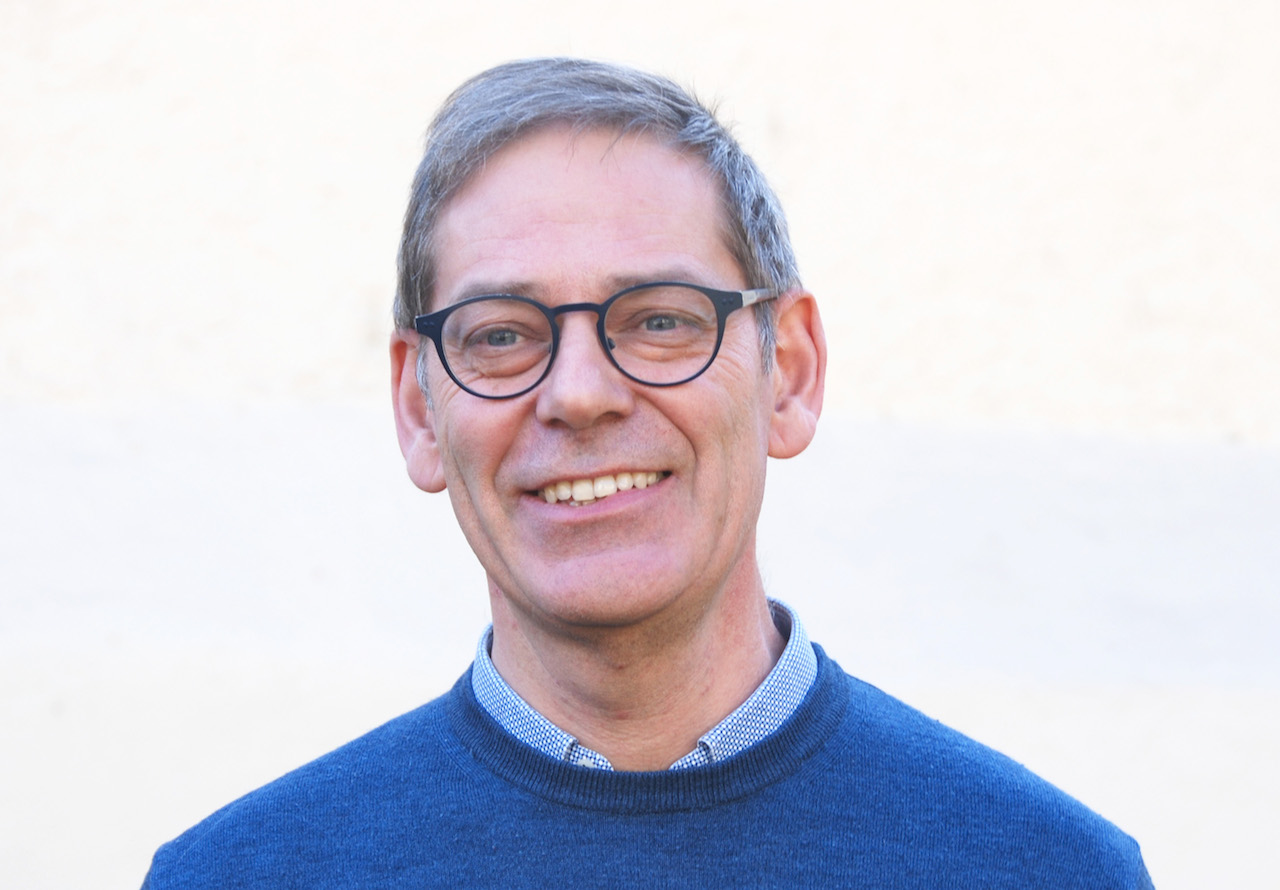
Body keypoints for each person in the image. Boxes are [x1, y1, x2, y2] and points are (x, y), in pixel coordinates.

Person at [142, 58, 1153, 888]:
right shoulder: (237, 877)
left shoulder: (1048, 872)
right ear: (418, 408)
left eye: (660, 319)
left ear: (789, 373)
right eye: (501, 334)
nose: (579, 394)